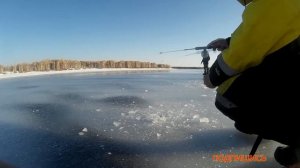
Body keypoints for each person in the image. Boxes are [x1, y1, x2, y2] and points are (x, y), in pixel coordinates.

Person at [203, 0, 300, 167]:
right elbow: (278, 33)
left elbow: (215, 79)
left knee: (225, 97)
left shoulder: (270, 4)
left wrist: (207, 68)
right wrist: (229, 41)